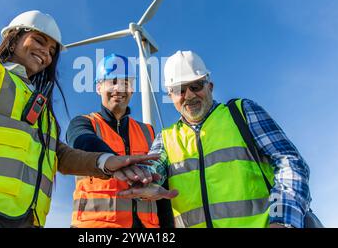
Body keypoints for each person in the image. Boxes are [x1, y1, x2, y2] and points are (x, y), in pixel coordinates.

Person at [0, 10, 157, 228]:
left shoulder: (42, 109)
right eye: (39, 40)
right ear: (13, 37)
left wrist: (105, 162)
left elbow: (60, 155)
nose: (46, 53)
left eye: (52, 51)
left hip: (25, 221)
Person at [118, 50, 311, 228]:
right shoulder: (166, 138)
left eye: (196, 86)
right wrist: (143, 181)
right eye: (179, 90)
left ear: (210, 86)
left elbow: (289, 163)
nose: (189, 95)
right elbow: (153, 168)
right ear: (171, 96)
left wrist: (283, 220)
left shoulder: (241, 113)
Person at [67, 54, 174, 228]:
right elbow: (83, 142)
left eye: (126, 83)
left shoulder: (148, 131)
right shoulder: (83, 124)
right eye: (113, 81)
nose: (119, 88)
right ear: (98, 87)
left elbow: (161, 185)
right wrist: (117, 163)